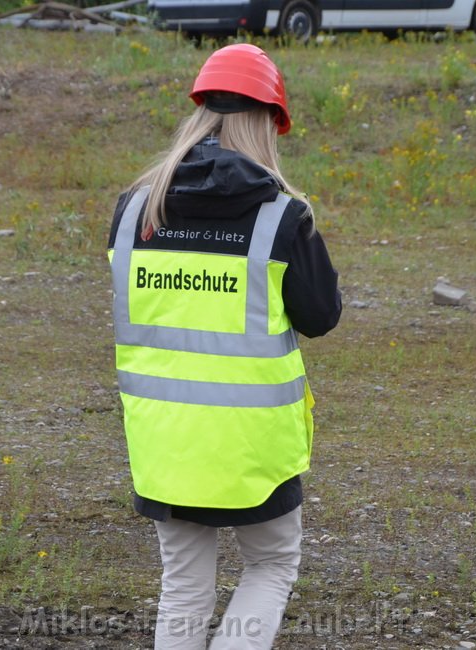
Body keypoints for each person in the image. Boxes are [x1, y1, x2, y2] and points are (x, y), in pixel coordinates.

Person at [107, 43, 342, 650]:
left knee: (183, 585)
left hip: (166, 439)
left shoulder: (135, 210)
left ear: (199, 111)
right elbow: (321, 317)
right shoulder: (282, 216)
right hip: (252, 448)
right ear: (268, 122)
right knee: (269, 566)